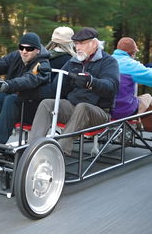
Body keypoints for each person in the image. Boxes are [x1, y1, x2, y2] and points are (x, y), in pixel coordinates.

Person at [28, 27, 120, 155]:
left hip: (99, 112)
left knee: (83, 107)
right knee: (47, 103)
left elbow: (112, 87)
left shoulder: (108, 61)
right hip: (73, 107)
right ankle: (31, 150)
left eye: (82, 43)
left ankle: (57, 153)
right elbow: (57, 89)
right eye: (76, 43)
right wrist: (43, 72)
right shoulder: (74, 61)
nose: (78, 47)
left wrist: (91, 82)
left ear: (94, 44)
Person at [111, 37, 152, 131]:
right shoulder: (131, 65)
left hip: (105, 109)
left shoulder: (107, 61)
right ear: (132, 53)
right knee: (147, 97)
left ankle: (138, 121)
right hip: (123, 110)